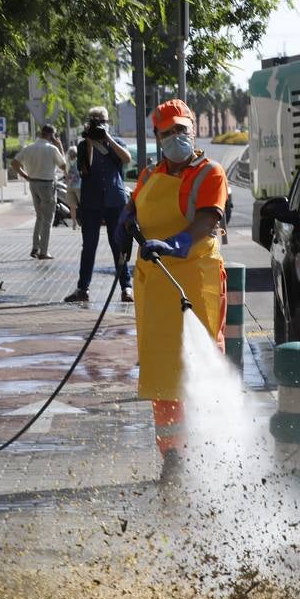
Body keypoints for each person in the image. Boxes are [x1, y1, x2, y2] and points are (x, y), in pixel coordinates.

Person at [119, 99, 228, 486]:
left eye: (182, 129)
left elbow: (208, 220)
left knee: (197, 371)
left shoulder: (209, 173)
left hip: (194, 283)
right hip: (155, 287)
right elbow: (134, 207)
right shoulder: (149, 175)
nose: (176, 137)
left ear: (193, 130)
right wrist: (126, 219)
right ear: (157, 136)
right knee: (163, 378)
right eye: (169, 132)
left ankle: (210, 452)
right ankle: (172, 457)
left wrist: (176, 244)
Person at [63, 107, 132, 303]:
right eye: (95, 120)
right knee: (89, 246)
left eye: (102, 120)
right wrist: (92, 142)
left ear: (108, 121)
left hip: (114, 200)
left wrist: (107, 138)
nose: (99, 123)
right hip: (91, 201)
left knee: (117, 244)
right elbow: (86, 170)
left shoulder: (116, 142)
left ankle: (126, 288)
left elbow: (126, 159)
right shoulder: (84, 145)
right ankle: (82, 288)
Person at [12, 124, 65, 260]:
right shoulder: (52, 149)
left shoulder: (29, 148)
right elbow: (64, 166)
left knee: (39, 216)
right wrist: (60, 147)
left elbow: (14, 163)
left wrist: (25, 176)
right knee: (48, 219)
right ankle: (44, 251)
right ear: (52, 135)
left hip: (33, 183)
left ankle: (35, 247)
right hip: (47, 184)